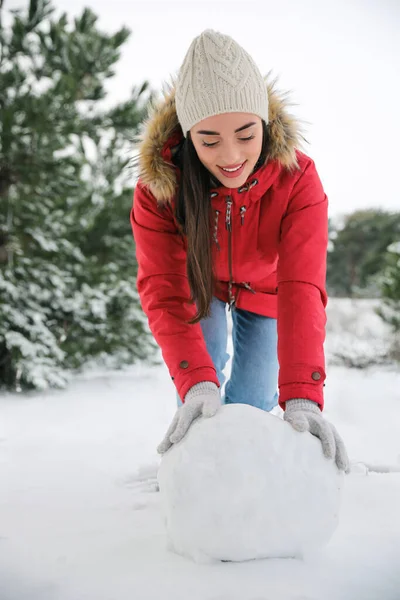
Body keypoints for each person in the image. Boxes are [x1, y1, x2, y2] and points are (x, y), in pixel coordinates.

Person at [131, 29, 348, 471]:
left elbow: (302, 285)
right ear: (188, 137)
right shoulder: (161, 186)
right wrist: (195, 382)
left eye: (246, 134)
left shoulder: (298, 178)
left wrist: (303, 396)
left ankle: (243, 474)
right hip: (200, 285)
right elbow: (164, 287)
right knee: (203, 394)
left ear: (265, 123)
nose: (230, 155)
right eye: (209, 140)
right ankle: (196, 470)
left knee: (253, 398)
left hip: (267, 289)